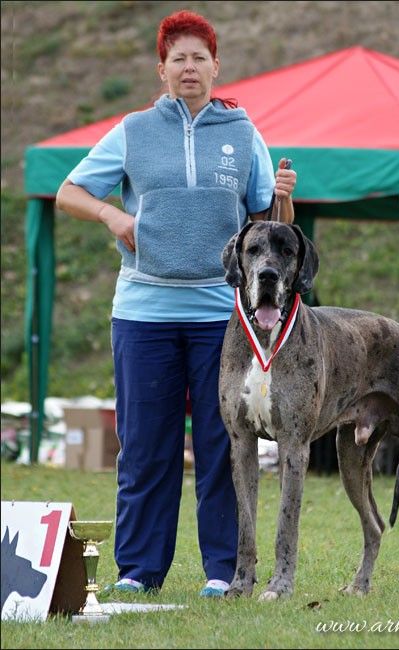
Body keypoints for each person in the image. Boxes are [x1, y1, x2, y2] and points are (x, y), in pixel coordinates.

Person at [56, 9, 296, 598]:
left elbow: (270, 222)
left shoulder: (244, 133)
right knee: (145, 448)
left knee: (222, 445)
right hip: (143, 315)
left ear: (216, 67)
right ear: (161, 69)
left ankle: (225, 570)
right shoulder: (133, 130)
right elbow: (69, 192)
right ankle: (138, 571)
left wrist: (285, 199)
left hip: (223, 316)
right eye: (178, 58)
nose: (189, 67)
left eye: (199, 57)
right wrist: (112, 214)